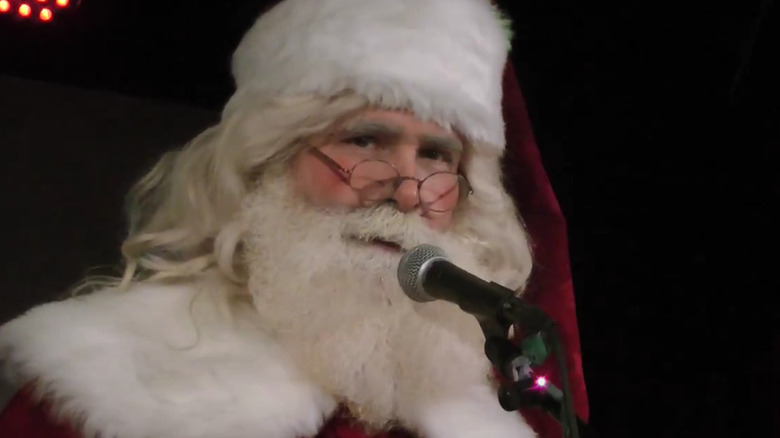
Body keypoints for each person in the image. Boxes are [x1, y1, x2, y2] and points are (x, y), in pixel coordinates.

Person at [0, 0, 589, 437]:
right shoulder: (111, 381)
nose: (408, 192)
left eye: (436, 154)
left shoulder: (495, 416)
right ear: (266, 166)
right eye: (365, 140)